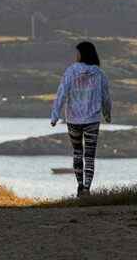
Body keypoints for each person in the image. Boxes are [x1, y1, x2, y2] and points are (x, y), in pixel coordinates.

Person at [50, 41, 112, 197]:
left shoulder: (71, 71)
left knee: (77, 152)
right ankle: (87, 188)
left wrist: (55, 116)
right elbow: (106, 97)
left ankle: (79, 185)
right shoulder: (99, 73)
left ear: (82, 54)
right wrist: (107, 113)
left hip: (73, 119)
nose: (75, 55)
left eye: (77, 52)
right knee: (90, 155)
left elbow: (61, 93)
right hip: (92, 118)